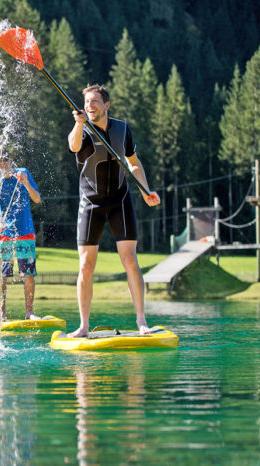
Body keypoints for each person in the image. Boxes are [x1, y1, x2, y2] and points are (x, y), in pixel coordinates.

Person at [67, 84, 160, 337]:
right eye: (87, 102)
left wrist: (145, 190)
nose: (90, 106)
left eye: (95, 101)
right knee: (86, 264)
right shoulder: (83, 130)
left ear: (106, 105)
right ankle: (84, 327)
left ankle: (142, 321)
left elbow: (133, 162)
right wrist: (78, 123)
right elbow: (74, 147)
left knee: (130, 259)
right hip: (91, 203)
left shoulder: (122, 129)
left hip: (120, 201)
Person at [0, 152, 42, 321]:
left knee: (28, 273)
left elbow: (37, 199)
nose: (3, 163)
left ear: (10, 160)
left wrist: (26, 182)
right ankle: (1, 314)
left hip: (25, 231)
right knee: (3, 275)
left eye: (5, 159)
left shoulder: (23, 173)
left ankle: (29, 313)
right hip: (5, 234)